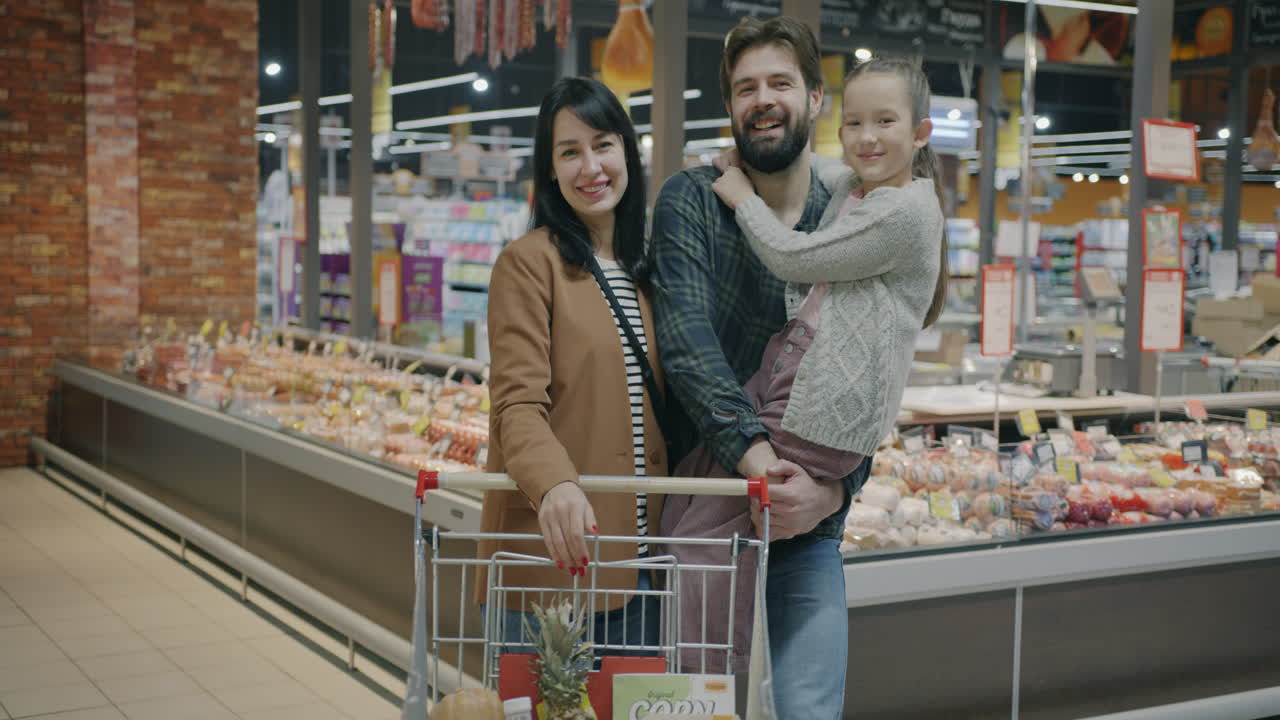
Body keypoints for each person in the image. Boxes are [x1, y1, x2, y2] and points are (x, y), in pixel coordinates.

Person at [651, 17, 932, 720]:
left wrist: (832, 493)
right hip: (716, 482)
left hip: (808, 518)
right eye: (745, 87)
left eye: (780, 82)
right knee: (703, 696)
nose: (762, 99)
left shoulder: (845, 206)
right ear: (729, 107)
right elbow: (687, 346)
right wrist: (755, 460)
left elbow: (874, 375)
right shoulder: (693, 199)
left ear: (814, 100)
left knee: (807, 709)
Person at [478, 76, 668, 652]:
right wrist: (555, 483)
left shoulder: (649, 270)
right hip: (557, 561)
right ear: (551, 171)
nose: (591, 166)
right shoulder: (528, 264)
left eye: (603, 144)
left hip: (648, 564)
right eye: (569, 152)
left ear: (626, 153)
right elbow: (516, 403)